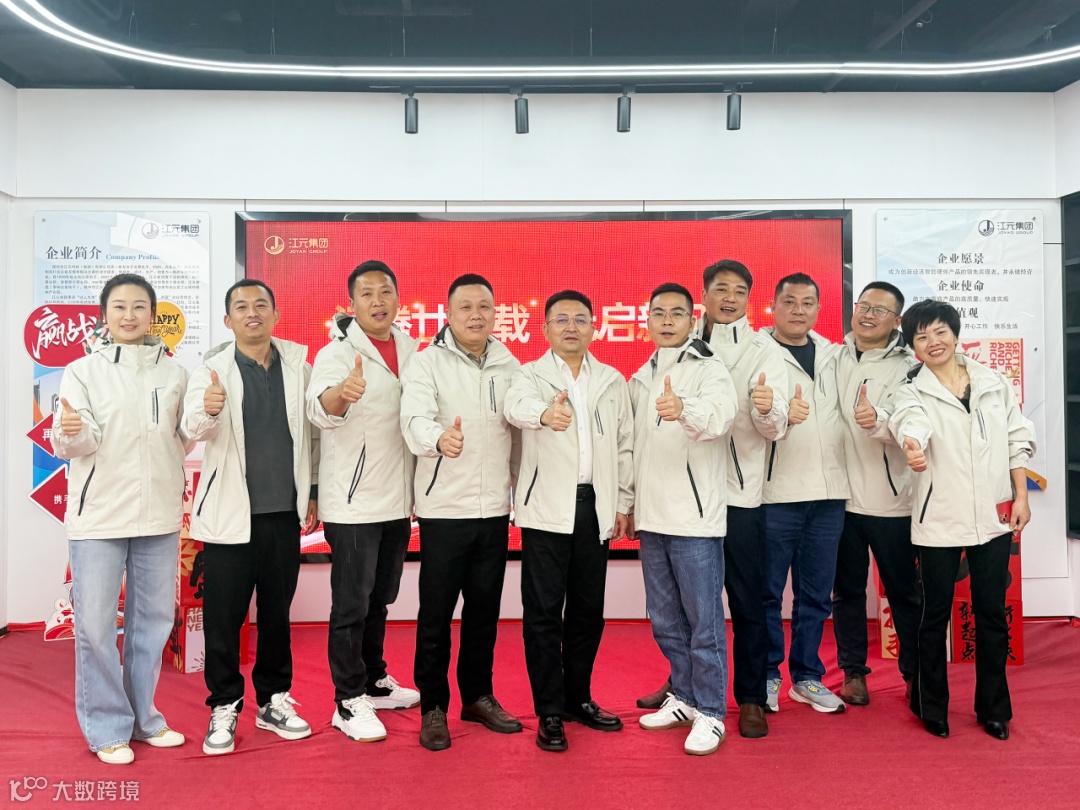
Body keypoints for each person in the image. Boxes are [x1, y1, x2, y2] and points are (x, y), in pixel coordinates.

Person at [637, 260, 790, 740]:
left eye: (739, 291)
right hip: (680, 497)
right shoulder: (676, 347)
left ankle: (750, 696)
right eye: (720, 289)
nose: (729, 298)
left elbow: (776, 424)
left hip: (735, 493)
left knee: (744, 601)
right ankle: (684, 688)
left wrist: (768, 409)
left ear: (750, 298)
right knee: (679, 606)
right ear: (702, 297)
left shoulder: (764, 349)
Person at [53, 273, 191, 765]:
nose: (129, 315)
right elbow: (73, 442)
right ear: (104, 315)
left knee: (151, 624)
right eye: (119, 306)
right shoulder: (82, 371)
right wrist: (72, 430)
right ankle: (107, 728)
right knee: (94, 627)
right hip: (100, 516)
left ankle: (144, 719)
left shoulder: (176, 374)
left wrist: (209, 414)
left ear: (153, 314)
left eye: (138, 306)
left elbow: (184, 437)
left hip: (158, 515)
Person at [882, 299, 1034, 740]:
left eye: (940, 332)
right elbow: (908, 422)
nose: (933, 342)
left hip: (992, 517)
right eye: (921, 337)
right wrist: (912, 444)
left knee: (992, 614)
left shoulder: (992, 382)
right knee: (933, 616)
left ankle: (994, 709)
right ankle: (931, 706)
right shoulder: (911, 390)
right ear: (913, 346)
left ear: (954, 333)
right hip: (938, 520)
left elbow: (1016, 438)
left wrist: (1021, 496)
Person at [183, 279, 319, 756]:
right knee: (224, 618)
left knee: (277, 615)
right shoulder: (212, 369)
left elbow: (313, 436)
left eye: (261, 304)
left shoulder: (299, 366)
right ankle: (224, 704)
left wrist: (313, 493)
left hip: (283, 513)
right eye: (241, 306)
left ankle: (273, 700)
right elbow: (189, 427)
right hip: (228, 515)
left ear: (276, 314)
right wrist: (207, 410)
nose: (252, 312)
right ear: (228, 320)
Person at [505, 289, 634, 752]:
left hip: (594, 507)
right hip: (545, 509)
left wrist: (623, 502)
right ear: (544, 329)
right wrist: (544, 414)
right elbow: (513, 407)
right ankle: (549, 709)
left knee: (586, 612)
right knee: (543, 614)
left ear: (595, 327)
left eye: (580, 319)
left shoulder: (612, 380)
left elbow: (624, 445)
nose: (571, 327)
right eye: (561, 319)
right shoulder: (528, 374)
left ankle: (579, 697)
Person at [399, 273, 522, 751]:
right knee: (436, 614)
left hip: (493, 511)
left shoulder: (510, 365)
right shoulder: (426, 363)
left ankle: (477, 696)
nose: (476, 315)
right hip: (444, 508)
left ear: (495, 313)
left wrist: (520, 495)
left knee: (484, 612)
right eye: (465, 307)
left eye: (484, 307)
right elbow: (413, 419)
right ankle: (433, 705)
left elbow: (518, 437)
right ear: (447, 314)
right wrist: (438, 439)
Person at [306, 260, 421, 743]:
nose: (378, 301)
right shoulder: (335, 353)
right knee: (351, 603)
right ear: (352, 303)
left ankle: (374, 680)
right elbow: (319, 410)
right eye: (367, 294)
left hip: (398, 499)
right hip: (352, 503)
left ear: (398, 299)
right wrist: (341, 394)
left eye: (385, 292)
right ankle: (347, 699)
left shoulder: (412, 349)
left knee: (381, 596)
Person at [630, 282, 739, 756]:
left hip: (694, 519)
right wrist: (628, 506)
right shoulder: (641, 376)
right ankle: (686, 697)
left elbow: (719, 419)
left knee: (703, 622)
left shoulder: (710, 368)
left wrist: (683, 409)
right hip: (652, 518)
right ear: (648, 320)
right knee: (666, 620)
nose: (668, 321)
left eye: (677, 313)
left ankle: (712, 711)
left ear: (693, 320)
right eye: (659, 313)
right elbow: (632, 449)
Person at [761, 273, 850, 714]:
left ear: (818, 308)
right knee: (767, 594)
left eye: (808, 302)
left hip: (829, 496)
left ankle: (807, 677)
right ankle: (766, 675)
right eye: (790, 301)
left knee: (815, 596)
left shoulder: (835, 355)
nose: (799, 310)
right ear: (773, 307)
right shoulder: (758, 353)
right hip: (776, 495)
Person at [832, 282, 921, 706]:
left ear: (897, 320)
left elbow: (911, 418)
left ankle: (915, 674)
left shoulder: (910, 366)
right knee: (846, 593)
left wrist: (879, 419)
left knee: (904, 593)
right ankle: (853, 673)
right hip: (838, 500)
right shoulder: (832, 357)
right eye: (863, 306)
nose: (868, 315)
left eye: (880, 310)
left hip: (892, 502)